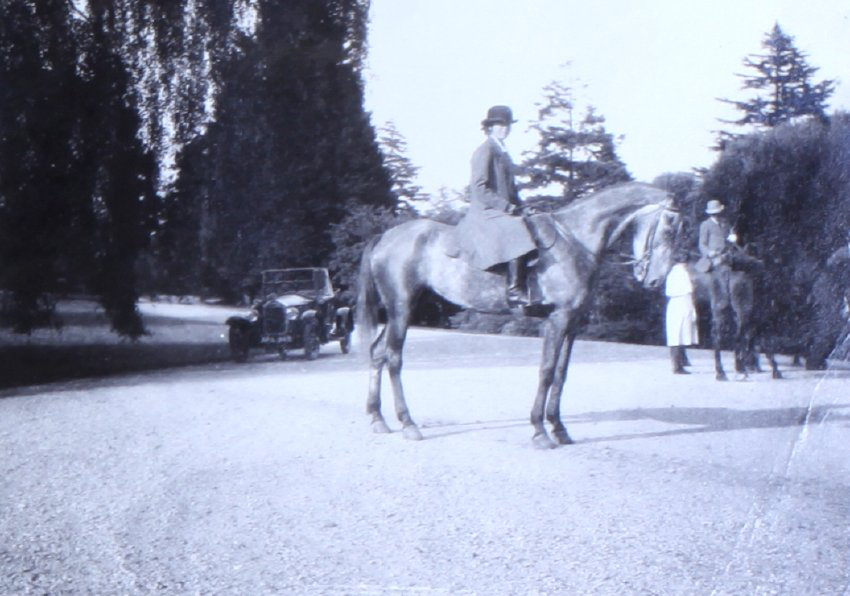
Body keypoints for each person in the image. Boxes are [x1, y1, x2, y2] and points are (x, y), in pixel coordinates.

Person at [457, 105, 537, 306]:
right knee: (515, 229)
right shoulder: (485, 151)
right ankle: (514, 289)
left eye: (507, 124)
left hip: (499, 208)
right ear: (490, 127)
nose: (505, 128)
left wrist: (522, 207)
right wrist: (507, 208)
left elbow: (510, 189)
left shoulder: (503, 152)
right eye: (500, 124)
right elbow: (478, 189)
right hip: (485, 210)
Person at [665, 250, 699, 374]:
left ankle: (677, 364)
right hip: (683, 303)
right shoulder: (683, 274)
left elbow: (668, 292)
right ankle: (677, 366)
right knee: (680, 334)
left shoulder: (672, 273)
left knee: (675, 335)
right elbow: (688, 291)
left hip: (674, 304)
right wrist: (693, 310)